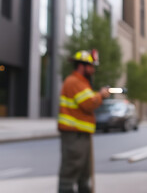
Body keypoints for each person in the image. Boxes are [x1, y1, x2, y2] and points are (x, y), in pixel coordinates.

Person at [58, 50, 110, 193]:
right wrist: (100, 95)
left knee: (84, 175)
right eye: (91, 66)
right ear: (82, 66)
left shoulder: (81, 83)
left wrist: (98, 95)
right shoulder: (74, 82)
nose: (93, 70)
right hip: (74, 136)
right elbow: (88, 104)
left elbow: (88, 100)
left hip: (80, 135)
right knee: (70, 174)